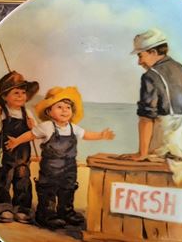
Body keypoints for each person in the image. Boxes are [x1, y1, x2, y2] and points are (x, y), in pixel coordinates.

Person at [6, 87, 114, 233]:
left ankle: (66, 212)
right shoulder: (47, 127)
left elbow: (86, 134)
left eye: (68, 107)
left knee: (68, 190)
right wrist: (16, 141)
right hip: (50, 168)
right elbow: (30, 135)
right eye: (59, 107)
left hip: (69, 168)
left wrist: (101, 135)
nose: (64, 110)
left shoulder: (73, 128)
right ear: (49, 112)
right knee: (48, 191)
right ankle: (46, 215)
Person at [122, 28, 182, 161]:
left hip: (168, 147)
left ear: (153, 52)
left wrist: (142, 154)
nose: (139, 62)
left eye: (140, 56)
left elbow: (146, 119)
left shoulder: (150, 76)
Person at [0, 71, 39, 223]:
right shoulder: (1, 112)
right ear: (4, 96)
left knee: (23, 177)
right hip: (3, 154)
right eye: (16, 93)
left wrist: (32, 126)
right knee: (3, 177)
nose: (20, 96)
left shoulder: (27, 112)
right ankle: (2, 206)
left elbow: (35, 133)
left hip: (23, 154)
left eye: (23, 93)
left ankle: (22, 207)